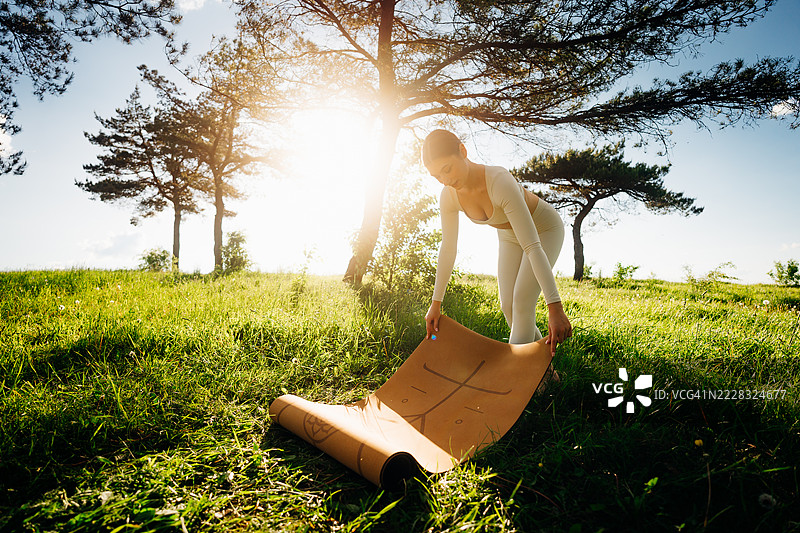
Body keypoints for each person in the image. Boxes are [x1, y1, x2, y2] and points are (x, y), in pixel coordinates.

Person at [422, 129, 572, 361]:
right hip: (509, 236)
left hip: (543, 230)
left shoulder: (499, 181)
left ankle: (513, 374)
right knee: (508, 306)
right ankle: (544, 370)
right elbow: (448, 248)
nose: (446, 180)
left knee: (522, 301)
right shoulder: (448, 196)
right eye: (437, 176)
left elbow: (532, 246)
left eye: (447, 169)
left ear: (463, 150)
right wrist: (435, 304)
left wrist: (555, 307)